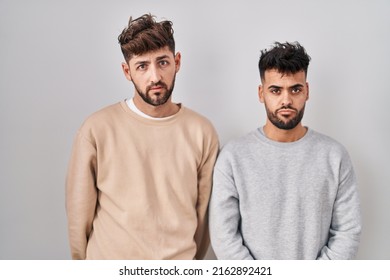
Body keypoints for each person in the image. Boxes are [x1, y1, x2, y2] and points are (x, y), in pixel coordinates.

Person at [66, 14, 219, 260]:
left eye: (163, 63)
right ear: (127, 71)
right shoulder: (96, 130)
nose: (155, 77)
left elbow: (204, 219)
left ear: (177, 61)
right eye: (142, 66)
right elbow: (78, 217)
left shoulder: (202, 132)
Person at [209, 42, 361, 260]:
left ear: (306, 91)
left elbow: (348, 232)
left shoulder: (334, 156)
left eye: (295, 89)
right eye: (275, 90)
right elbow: (224, 237)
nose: (286, 100)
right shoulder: (233, 157)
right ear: (261, 93)